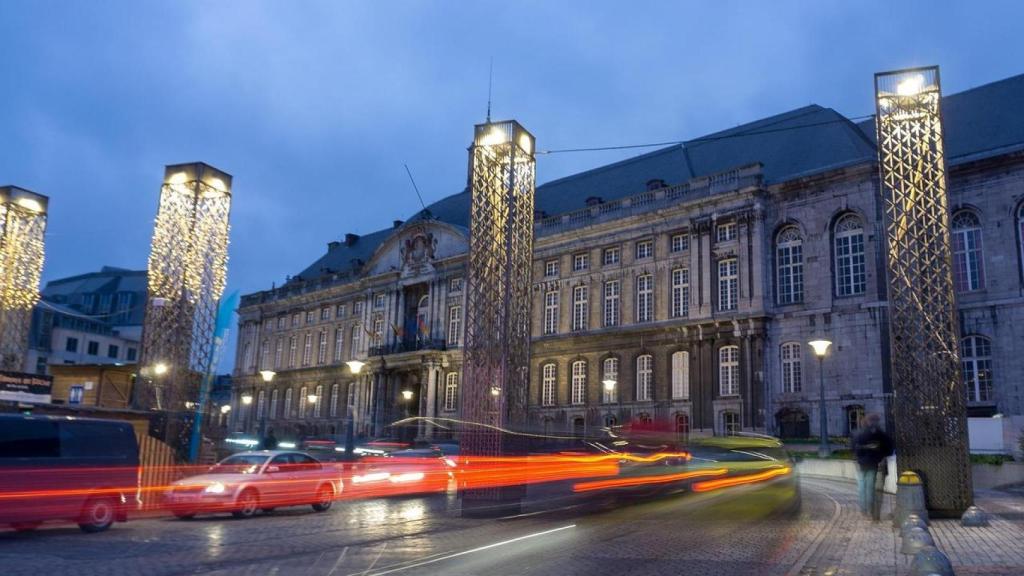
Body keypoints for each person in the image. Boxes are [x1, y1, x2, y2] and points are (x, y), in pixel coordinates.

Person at [852, 413, 893, 520]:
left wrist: (859, 454)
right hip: (874, 464)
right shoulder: (880, 434)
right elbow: (889, 449)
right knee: (870, 487)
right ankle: (872, 510)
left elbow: (854, 448)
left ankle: (864, 508)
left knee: (862, 487)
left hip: (861, 464)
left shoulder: (858, 433)